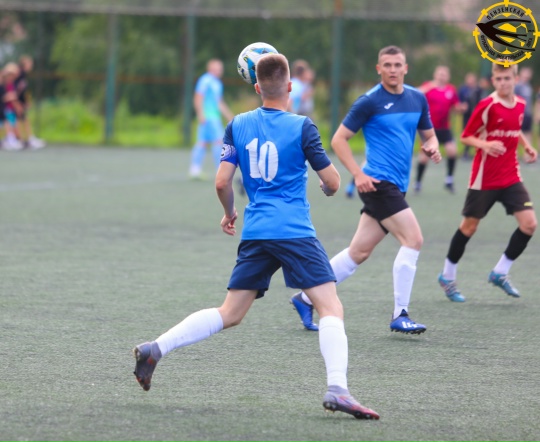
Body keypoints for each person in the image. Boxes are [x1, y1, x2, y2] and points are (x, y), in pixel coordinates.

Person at [133, 53, 379, 420]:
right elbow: (331, 181)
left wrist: (230, 212)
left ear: (257, 87)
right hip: (294, 231)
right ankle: (338, 389)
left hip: (256, 231)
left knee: (230, 312)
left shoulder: (237, 124)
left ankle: (156, 348)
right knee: (330, 307)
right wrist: (328, 188)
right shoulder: (303, 126)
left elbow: (222, 182)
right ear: (290, 86)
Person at [290, 45, 441, 334]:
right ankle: (400, 314)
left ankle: (305, 298)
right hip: (377, 183)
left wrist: (432, 147)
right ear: (379, 69)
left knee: (358, 252)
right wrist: (358, 175)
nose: (393, 70)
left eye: (398, 64)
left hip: (397, 185)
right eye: (387, 65)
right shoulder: (369, 101)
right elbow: (338, 140)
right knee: (413, 240)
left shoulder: (417, 98)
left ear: (406, 68)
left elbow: (429, 135)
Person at [438, 62, 537, 303]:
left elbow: (514, 128)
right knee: (469, 227)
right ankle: (447, 276)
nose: (503, 83)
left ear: (515, 80)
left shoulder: (521, 104)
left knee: (529, 224)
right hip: (485, 178)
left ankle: (500, 272)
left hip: (511, 176)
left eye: (507, 78)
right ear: (493, 81)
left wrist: (527, 146)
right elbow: (466, 136)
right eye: (498, 79)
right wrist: (485, 144)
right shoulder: (487, 105)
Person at [414, 65, 464, 193]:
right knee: (424, 157)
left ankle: (449, 180)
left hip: (444, 128)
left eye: (444, 74)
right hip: (428, 128)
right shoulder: (428, 87)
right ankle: (418, 182)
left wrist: (460, 108)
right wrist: (426, 88)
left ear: (448, 77)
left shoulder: (451, 90)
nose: (442, 77)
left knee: (452, 151)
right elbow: (415, 94)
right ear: (435, 75)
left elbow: (456, 106)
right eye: (440, 74)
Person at [188, 59, 234, 179]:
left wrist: (230, 116)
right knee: (218, 141)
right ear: (210, 68)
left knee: (202, 142)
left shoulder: (217, 83)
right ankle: (219, 170)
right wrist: (200, 114)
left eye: (220, 68)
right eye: (217, 68)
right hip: (209, 117)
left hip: (214, 116)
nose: (220, 71)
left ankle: (195, 170)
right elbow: (198, 97)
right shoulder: (205, 80)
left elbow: (219, 103)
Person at [15, 55, 45, 150]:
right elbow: (15, 90)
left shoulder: (24, 75)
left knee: (24, 119)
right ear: (24, 64)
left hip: (21, 101)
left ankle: (29, 139)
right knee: (17, 120)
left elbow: (24, 90)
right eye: (29, 63)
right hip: (15, 102)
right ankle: (19, 140)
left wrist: (27, 101)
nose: (31, 65)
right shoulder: (19, 74)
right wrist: (16, 103)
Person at [2, 62, 23, 151]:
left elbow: (13, 97)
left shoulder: (12, 84)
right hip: (5, 108)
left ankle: (12, 140)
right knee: (8, 124)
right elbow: (5, 97)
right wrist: (9, 97)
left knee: (13, 124)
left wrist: (17, 105)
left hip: (10, 108)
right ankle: (10, 140)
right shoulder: (3, 84)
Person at [514, 66, 533, 141]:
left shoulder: (528, 86)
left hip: (528, 114)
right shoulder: (517, 86)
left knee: (528, 133)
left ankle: (528, 148)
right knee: (518, 133)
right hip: (520, 114)